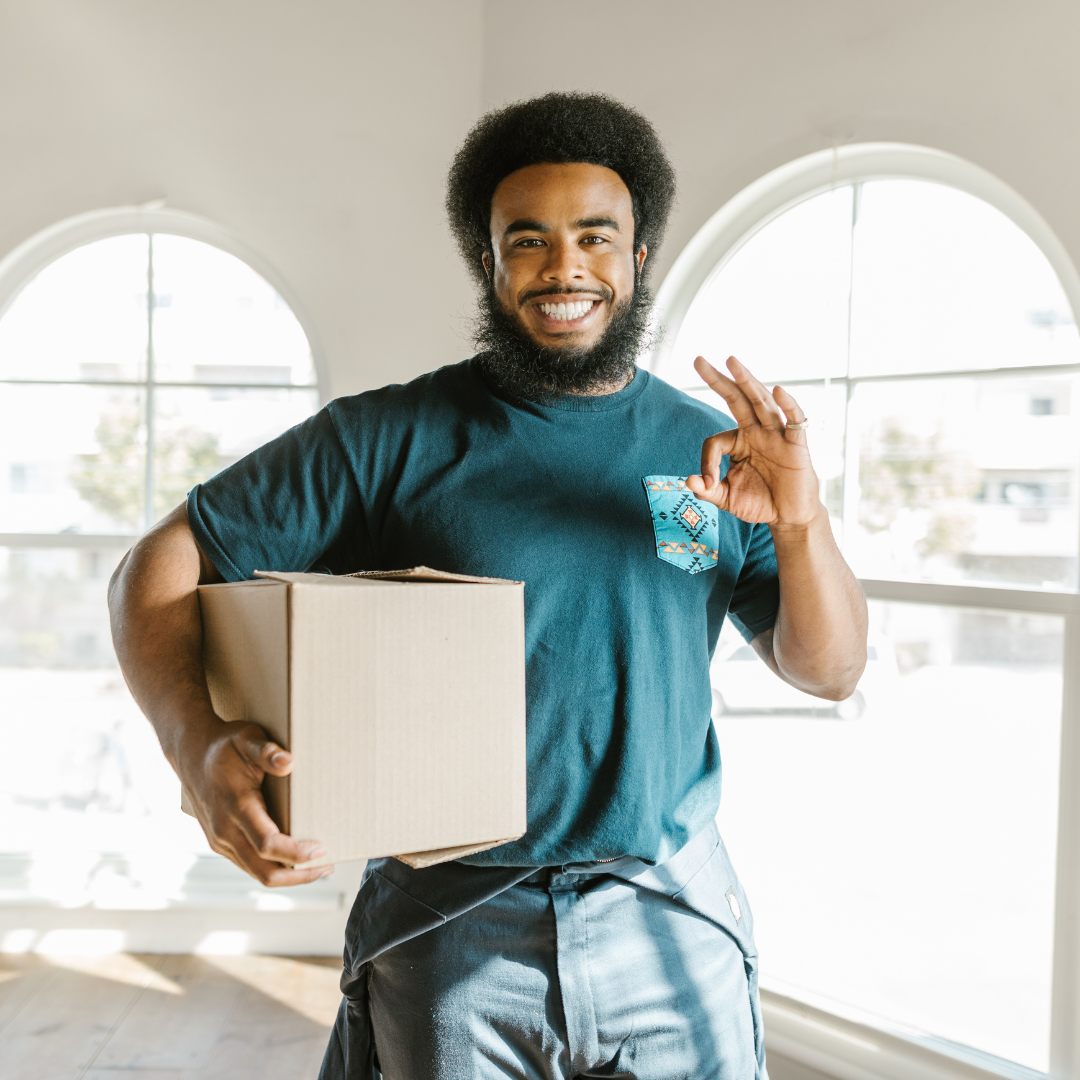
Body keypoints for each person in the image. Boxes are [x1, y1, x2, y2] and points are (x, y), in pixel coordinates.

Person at [109, 92, 867, 1080]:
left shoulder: (712, 451)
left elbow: (831, 669)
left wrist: (802, 525)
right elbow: (158, 564)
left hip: (669, 905)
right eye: (528, 240)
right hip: (451, 922)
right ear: (489, 261)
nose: (565, 268)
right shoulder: (388, 438)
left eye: (596, 238)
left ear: (638, 261)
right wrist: (192, 745)